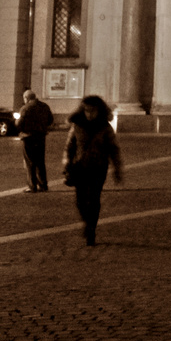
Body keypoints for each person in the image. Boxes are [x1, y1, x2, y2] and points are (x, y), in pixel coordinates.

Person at [63, 95, 123, 247]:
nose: (89, 114)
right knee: (80, 200)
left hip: (99, 167)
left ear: (99, 111)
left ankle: (91, 229)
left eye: (92, 111)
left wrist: (117, 169)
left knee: (94, 199)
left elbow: (114, 149)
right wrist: (66, 164)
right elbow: (69, 146)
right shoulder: (77, 125)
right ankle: (86, 221)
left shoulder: (105, 127)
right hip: (81, 166)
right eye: (86, 111)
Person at [16, 89, 54, 191]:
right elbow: (50, 120)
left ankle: (32, 186)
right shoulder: (44, 106)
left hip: (28, 137)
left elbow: (19, 124)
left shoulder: (25, 108)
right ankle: (43, 184)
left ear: (26, 98)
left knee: (30, 162)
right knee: (40, 161)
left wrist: (17, 122)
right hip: (41, 136)